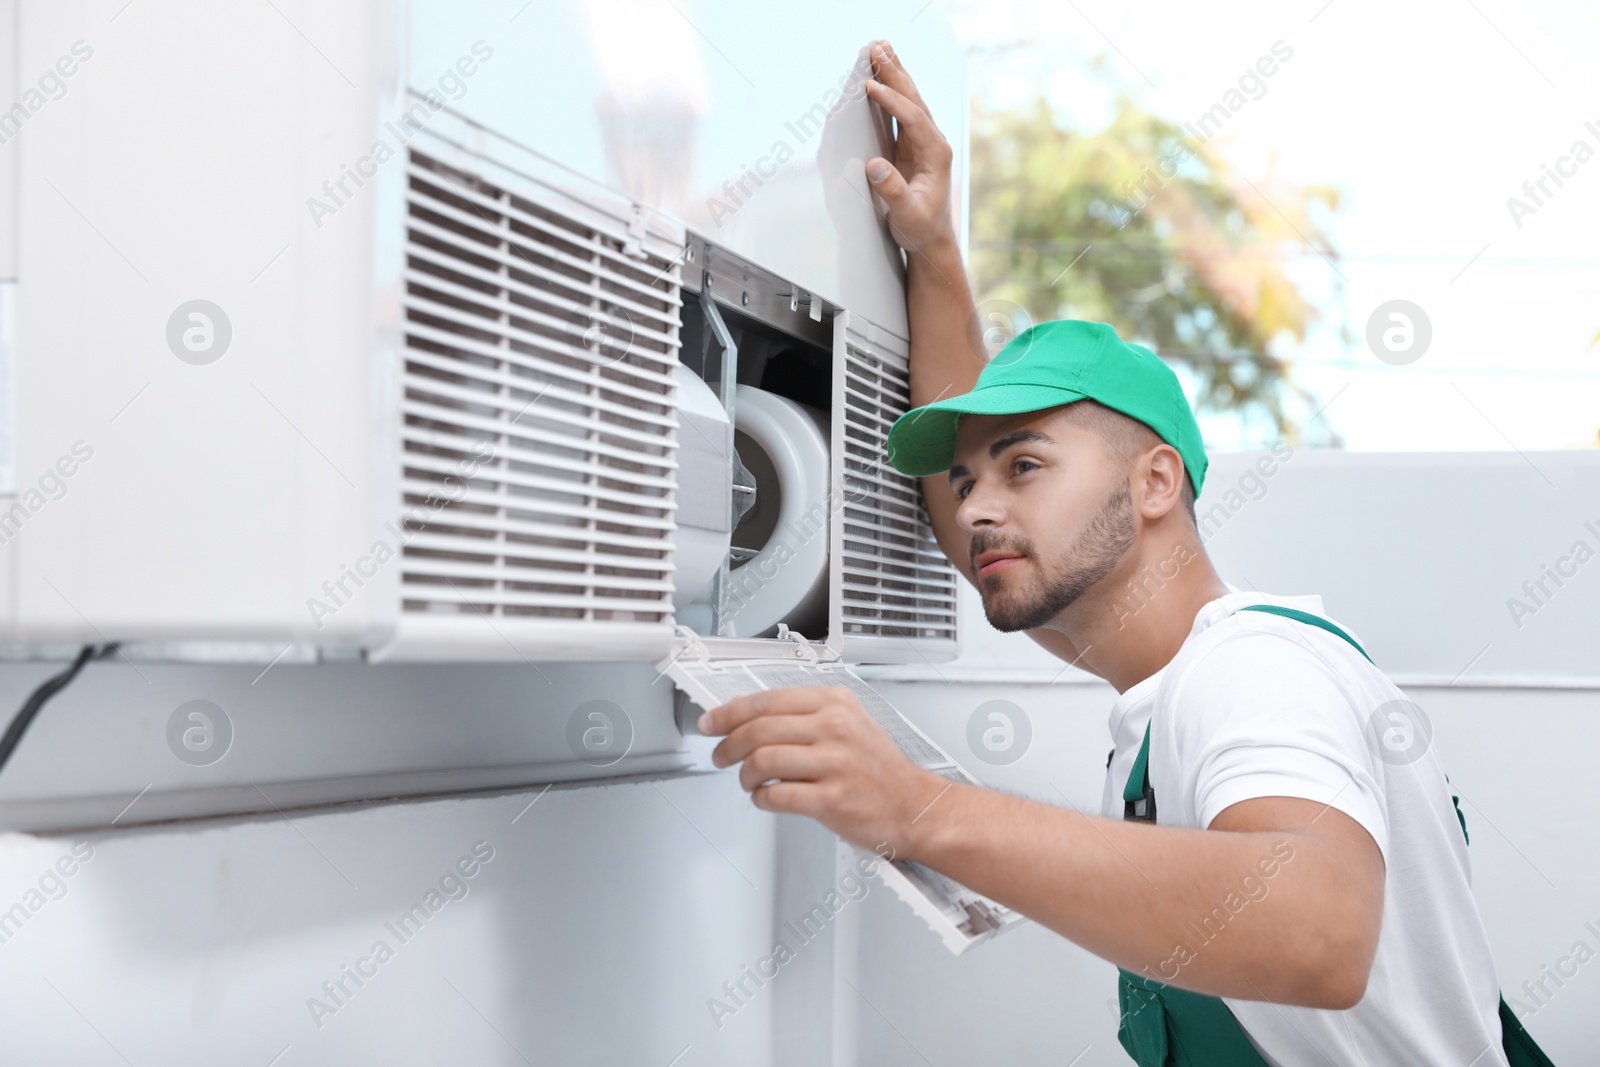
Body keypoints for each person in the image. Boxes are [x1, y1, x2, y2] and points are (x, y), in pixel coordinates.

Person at [696, 40, 1554, 1067]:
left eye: (1024, 465)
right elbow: (982, 521)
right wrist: (930, 251)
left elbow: (1318, 931)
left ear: (1154, 483)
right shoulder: (1160, 678)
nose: (974, 513)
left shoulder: (1249, 671)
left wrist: (921, 809)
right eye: (967, 482)